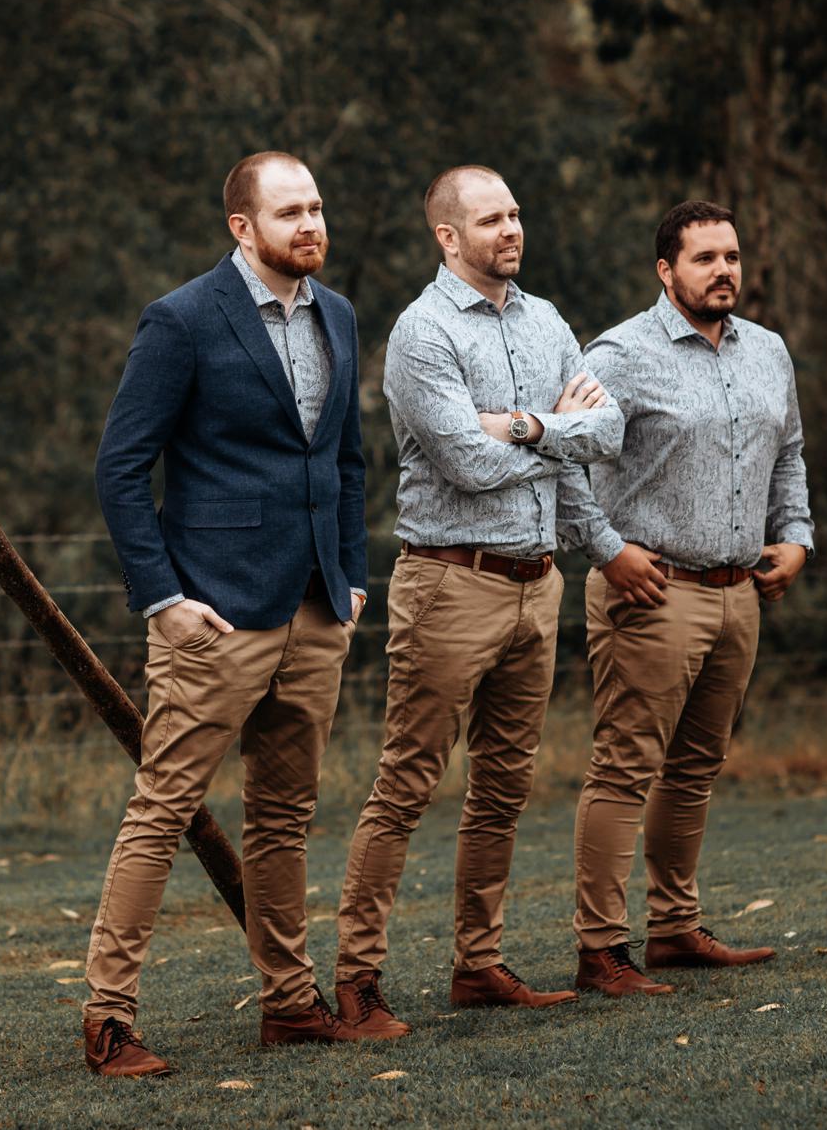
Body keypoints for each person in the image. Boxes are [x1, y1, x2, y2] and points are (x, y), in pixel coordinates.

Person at [83, 151, 372, 1076]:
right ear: (242, 227)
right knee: (162, 810)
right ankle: (109, 1017)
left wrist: (354, 575)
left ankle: (290, 1004)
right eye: (290, 212)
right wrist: (163, 599)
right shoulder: (181, 319)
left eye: (317, 207)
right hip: (216, 615)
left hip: (318, 608)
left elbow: (349, 461)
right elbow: (121, 467)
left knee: (283, 818)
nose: (311, 225)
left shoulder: (339, 314)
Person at [333, 164, 622, 1037]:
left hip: (538, 586)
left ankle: (479, 964)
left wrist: (528, 425)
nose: (512, 229)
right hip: (450, 582)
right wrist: (554, 434)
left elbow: (606, 431)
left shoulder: (547, 321)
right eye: (492, 219)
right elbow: (466, 461)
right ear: (448, 237)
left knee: (504, 786)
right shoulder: (422, 334)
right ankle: (356, 981)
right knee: (407, 782)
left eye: (516, 215)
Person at [560, 199, 815, 997]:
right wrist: (608, 550)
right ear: (666, 270)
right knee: (625, 766)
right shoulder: (622, 353)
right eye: (705, 259)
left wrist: (797, 536)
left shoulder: (768, 351)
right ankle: (601, 949)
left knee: (696, 766)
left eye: (732, 256)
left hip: (741, 593)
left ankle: (674, 927)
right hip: (653, 591)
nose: (724, 271)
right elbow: (564, 457)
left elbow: (791, 453)